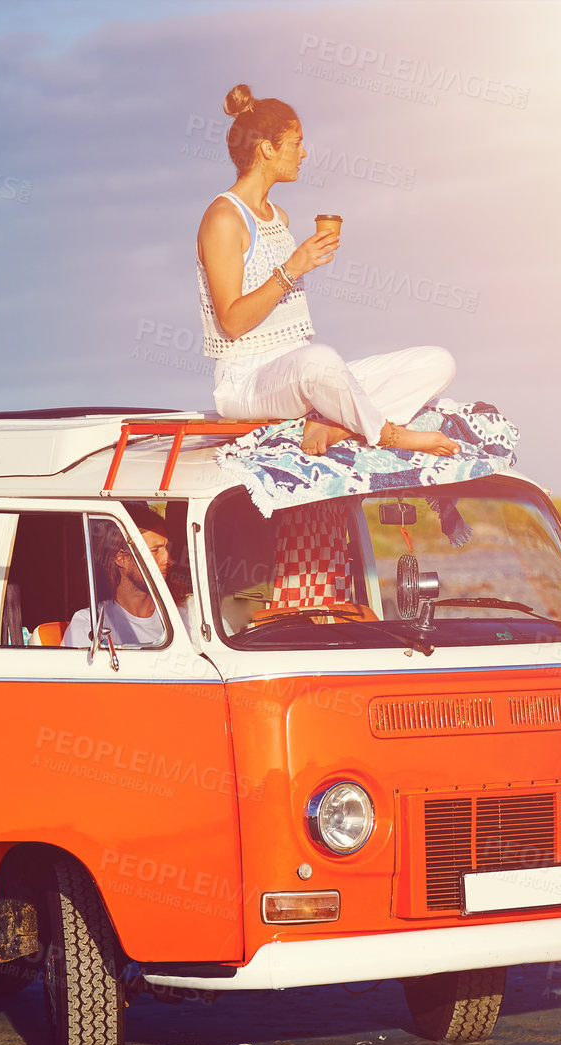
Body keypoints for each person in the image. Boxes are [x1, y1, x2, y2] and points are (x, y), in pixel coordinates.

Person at [196, 84, 459, 458]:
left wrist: (302, 261)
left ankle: (335, 424)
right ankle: (387, 434)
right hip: (248, 382)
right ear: (268, 149)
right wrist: (293, 267)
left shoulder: (277, 216)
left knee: (437, 361)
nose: (303, 153)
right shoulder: (223, 218)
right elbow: (232, 322)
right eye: (296, 143)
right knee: (320, 361)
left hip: (298, 373)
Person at [65, 505, 175, 649]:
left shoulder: (186, 614)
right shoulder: (90, 624)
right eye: (155, 551)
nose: (169, 560)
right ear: (121, 558)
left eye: (166, 548)